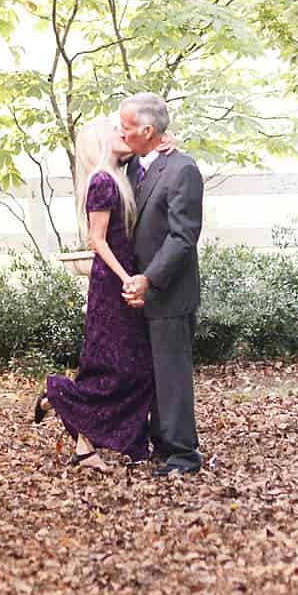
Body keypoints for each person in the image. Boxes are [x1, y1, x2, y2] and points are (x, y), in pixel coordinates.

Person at [33, 115, 154, 470]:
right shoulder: (102, 181)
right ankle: (59, 397)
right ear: (100, 142)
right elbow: (96, 240)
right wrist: (126, 278)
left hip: (122, 281)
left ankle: (74, 430)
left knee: (131, 369)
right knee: (113, 369)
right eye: (115, 131)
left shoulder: (126, 177)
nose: (123, 133)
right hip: (110, 285)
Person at [119, 92, 204, 476]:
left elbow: (182, 237)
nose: (121, 133)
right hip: (135, 291)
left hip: (168, 292)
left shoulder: (182, 170)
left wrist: (149, 279)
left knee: (172, 376)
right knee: (150, 372)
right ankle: (159, 443)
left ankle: (183, 456)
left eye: (126, 127)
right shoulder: (137, 164)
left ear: (148, 130)